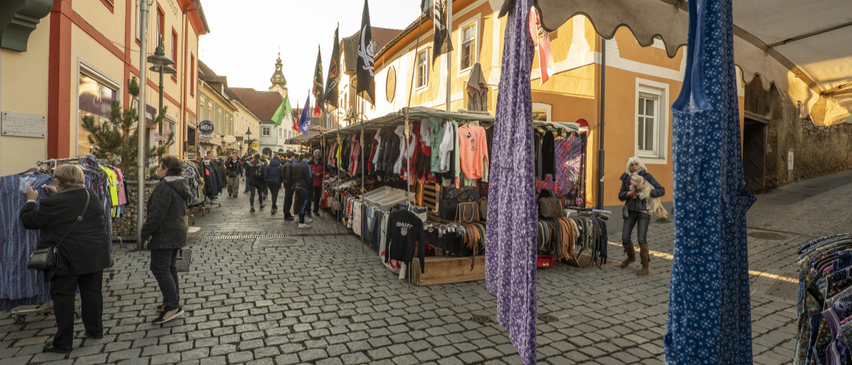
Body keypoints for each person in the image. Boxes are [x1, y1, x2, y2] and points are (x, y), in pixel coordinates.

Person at [20, 164, 110, 353]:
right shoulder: (91, 195)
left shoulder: (54, 202)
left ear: (59, 182)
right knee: (92, 293)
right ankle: (95, 331)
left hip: (67, 258)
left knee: (63, 298)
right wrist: (57, 195)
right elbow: (72, 207)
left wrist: (30, 201)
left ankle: (63, 342)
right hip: (94, 254)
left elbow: (30, 221)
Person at [141, 156, 191, 324]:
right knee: (169, 268)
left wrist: (145, 232)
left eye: (159, 167)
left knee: (160, 269)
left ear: (166, 169)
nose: (157, 170)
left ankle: (172, 306)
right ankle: (172, 300)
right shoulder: (181, 183)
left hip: (165, 233)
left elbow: (156, 215)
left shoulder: (164, 187)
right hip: (177, 230)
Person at [617, 157, 665, 276]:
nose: (634, 166)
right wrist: (628, 194)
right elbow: (620, 196)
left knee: (641, 239)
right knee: (625, 238)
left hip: (644, 211)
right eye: (632, 164)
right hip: (630, 211)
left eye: (636, 164)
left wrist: (647, 192)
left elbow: (661, 190)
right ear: (629, 166)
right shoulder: (626, 178)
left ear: (640, 165)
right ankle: (631, 257)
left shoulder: (647, 177)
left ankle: (645, 265)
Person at [293, 152, 314, 228]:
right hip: (304, 187)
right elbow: (309, 179)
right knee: (303, 205)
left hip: (298, 186)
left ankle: (301, 219)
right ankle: (301, 222)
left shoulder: (299, 164)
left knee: (300, 204)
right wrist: (311, 188)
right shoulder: (307, 166)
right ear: (310, 157)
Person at [281, 151, 295, 221]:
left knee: (288, 199)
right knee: (288, 199)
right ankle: (287, 214)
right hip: (288, 185)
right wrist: (291, 185)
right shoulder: (288, 165)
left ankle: (287, 213)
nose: (294, 158)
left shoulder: (285, 164)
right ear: (292, 156)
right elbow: (288, 176)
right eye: (294, 156)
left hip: (286, 184)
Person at [310, 149, 324, 216]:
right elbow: (307, 169)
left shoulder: (322, 162)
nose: (317, 157)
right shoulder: (310, 161)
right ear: (314, 155)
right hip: (311, 181)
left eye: (318, 156)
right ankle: (308, 210)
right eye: (316, 156)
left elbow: (326, 171)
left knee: (317, 197)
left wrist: (321, 174)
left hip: (318, 182)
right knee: (309, 196)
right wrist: (311, 172)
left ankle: (316, 210)